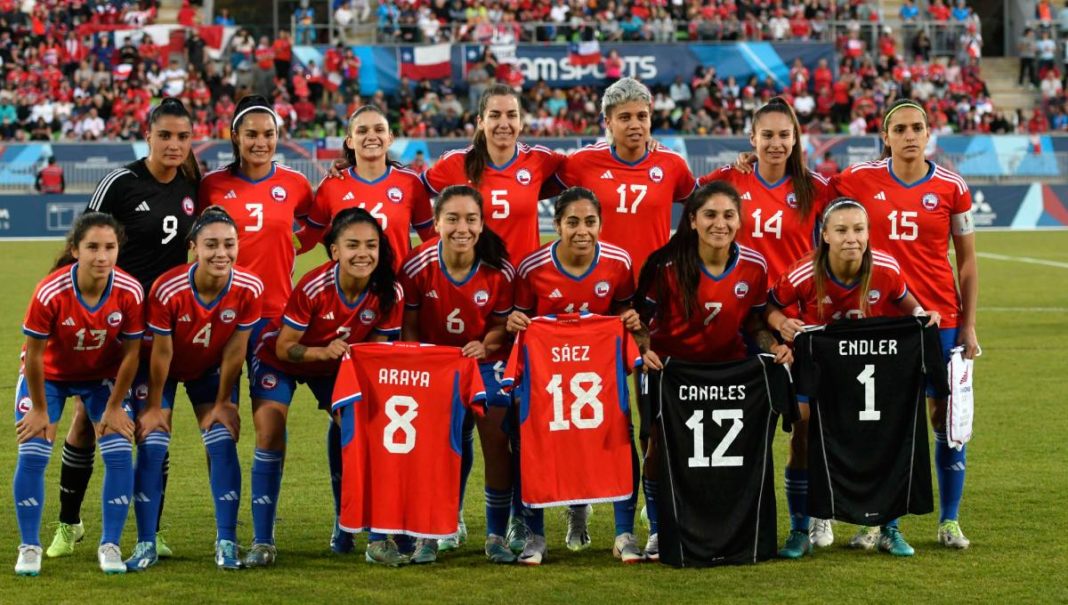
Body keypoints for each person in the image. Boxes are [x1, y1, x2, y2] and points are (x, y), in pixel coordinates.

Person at [47, 98, 200, 562]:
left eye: (182, 137)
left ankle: (150, 530)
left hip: (162, 328)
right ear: (148, 135)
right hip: (110, 324)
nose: (173, 145)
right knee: (88, 421)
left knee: (155, 422)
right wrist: (60, 305)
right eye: (165, 135)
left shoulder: (193, 186)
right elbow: (85, 241)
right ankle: (69, 523)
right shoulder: (120, 182)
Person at [553, 76, 696, 554]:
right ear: (607, 122)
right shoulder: (579, 164)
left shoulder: (672, 166)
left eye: (642, 116)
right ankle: (579, 505)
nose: (635, 125)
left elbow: (699, 208)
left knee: (652, 420)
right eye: (625, 117)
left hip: (656, 310)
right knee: (588, 417)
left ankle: (654, 520)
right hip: (595, 310)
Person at [830, 98, 979, 551]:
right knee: (884, 422)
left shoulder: (952, 187)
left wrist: (969, 325)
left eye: (918, 127)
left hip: (942, 320)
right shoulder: (857, 179)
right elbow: (809, 191)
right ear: (886, 134)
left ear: (928, 132)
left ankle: (949, 521)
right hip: (879, 323)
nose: (910, 135)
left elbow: (968, 262)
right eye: (901, 129)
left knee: (945, 418)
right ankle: (877, 520)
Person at [766, 198, 941, 556]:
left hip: (869, 371)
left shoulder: (886, 269)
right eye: (842, 230)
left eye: (859, 230)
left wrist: (925, 316)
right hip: (819, 368)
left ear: (868, 234)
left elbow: (912, 307)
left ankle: (889, 527)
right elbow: (767, 306)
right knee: (801, 431)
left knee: (881, 439)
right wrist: (780, 324)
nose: (852, 238)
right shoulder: (803, 273)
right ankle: (800, 528)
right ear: (825, 235)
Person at [634, 181, 791, 563]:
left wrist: (775, 347)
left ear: (739, 221)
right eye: (709, 214)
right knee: (657, 449)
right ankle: (658, 527)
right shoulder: (665, 265)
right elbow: (639, 321)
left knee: (727, 457)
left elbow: (755, 324)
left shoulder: (754, 266)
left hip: (729, 374)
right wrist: (645, 349)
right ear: (692, 221)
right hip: (671, 373)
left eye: (727, 215)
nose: (719, 223)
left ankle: (722, 525)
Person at [707, 98, 833, 557]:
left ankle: (807, 520)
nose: (776, 143)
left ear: (796, 138)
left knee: (805, 423)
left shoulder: (816, 187)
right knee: (747, 425)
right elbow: (687, 195)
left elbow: (852, 229)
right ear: (752, 139)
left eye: (784, 135)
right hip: (745, 319)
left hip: (801, 321)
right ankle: (741, 517)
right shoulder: (730, 181)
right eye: (768, 135)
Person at [245, 208, 402, 567]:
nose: (363, 253)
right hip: (281, 359)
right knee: (270, 433)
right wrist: (322, 351)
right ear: (334, 252)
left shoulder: (388, 291)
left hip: (333, 365)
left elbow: (376, 351)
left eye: (371, 245)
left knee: (359, 427)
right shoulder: (315, 286)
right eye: (352, 245)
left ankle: (363, 533)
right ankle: (262, 541)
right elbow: (285, 346)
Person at [506, 186, 644, 563]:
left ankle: (623, 532)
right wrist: (516, 322)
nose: (582, 231)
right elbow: (518, 323)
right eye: (572, 222)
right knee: (534, 444)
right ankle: (535, 534)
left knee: (618, 439)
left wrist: (630, 320)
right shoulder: (532, 267)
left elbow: (623, 314)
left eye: (590, 222)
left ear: (600, 223)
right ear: (557, 224)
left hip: (599, 376)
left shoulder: (617, 262)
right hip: (546, 377)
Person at [122, 208, 262, 572]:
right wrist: (153, 405)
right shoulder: (168, 288)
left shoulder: (250, 287)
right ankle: (145, 544)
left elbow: (236, 348)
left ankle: (227, 541)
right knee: (152, 443)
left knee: (221, 439)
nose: (221, 253)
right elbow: (162, 351)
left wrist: (223, 402)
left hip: (210, 370)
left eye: (229, 244)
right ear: (193, 247)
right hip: (161, 370)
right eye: (211, 244)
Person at [14, 213, 144, 575]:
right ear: (75, 250)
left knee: (118, 450)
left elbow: (133, 353)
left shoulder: (130, 291)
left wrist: (116, 406)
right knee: (35, 449)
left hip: (100, 378)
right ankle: (29, 546)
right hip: (50, 378)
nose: (101, 257)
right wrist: (40, 409)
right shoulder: (51, 291)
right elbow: (35, 355)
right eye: (92, 248)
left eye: (109, 248)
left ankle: (111, 545)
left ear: (118, 250)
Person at [399, 185, 515, 564]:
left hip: (483, 361)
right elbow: (410, 326)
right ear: (436, 223)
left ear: (481, 224)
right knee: (433, 446)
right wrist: (421, 362)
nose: (461, 227)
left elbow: (502, 327)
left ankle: (497, 533)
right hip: (434, 365)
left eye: (470, 219)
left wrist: (486, 344)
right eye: (452, 219)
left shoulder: (498, 269)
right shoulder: (417, 266)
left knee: (496, 439)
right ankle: (431, 532)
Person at [199, 94, 316, 354]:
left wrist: (291, 244)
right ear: (235, 136)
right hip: (221, 308)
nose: (261, 143)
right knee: (222, 395)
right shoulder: (211, 185)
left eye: (269, 134)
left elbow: (318, 228)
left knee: (267, 391)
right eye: (252, 134)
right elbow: (192, 239)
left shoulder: (295, 183)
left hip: (274, 308)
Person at [422, 84, 566, 266]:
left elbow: (582, 170)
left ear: (521, 122)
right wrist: (431, 237)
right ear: (481, 122)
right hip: (473, 285)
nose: (504, 124)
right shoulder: (455, 162)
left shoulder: (539, 160)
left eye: (512, 115)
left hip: (523, 283)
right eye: (495, 115)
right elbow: (412, 192)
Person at [309, 105, 435, 270]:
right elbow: (310, 235)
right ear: (350, 141)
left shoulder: (411, 183)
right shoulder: (332, 184)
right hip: (350, 292)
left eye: (379, 129)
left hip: (399, 291)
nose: (371, 136)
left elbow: (431, 239)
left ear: (390, 138)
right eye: (362, 131)